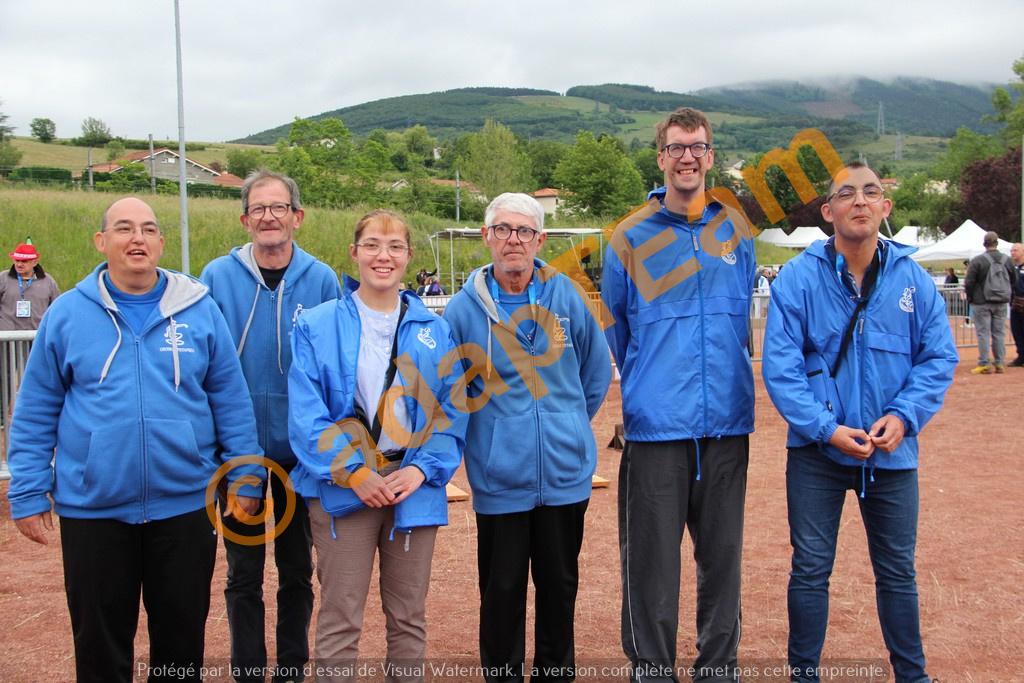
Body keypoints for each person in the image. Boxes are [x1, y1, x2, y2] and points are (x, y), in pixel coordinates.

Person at [6, 197, 264, 683]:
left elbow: (231, 399)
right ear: (102, 242)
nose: (137, 239)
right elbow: (37, 407)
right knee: (100, 645)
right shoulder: (66, 314)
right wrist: (26, 488)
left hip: (186, 505)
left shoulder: (200, 310)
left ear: (162, 243)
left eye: (148, 229)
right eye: (124, 229)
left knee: (180, 646)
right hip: (93, 508)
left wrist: (247, 476)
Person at [762, 163, 959, 683]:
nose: (860, 201)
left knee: (898, 573)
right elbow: (781, 370)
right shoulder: (797, 280)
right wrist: (825, 429)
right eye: (846, 194)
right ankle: (804, 674)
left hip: (890, 451)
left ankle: (911, 676)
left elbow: (938, 358)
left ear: (885, 208)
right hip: (816, 453)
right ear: (828, 213)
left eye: (871, 192)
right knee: (810, 569)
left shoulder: (913, 279)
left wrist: (904, 415)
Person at [601, 107, 757, 682]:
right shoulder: (630, 236)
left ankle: (719, 668)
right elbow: (618, 327)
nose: (687, 156)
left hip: (727, 424)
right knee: (651, 565)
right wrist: (650, 385)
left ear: (710, 155)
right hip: (657, 427)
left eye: (698, 146)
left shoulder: (734, 232)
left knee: (723, 562)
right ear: (661, 157)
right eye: (676, 147)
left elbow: (740, 320)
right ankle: (652, 669)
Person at [288, 209, 466, 680]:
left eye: (394, 247)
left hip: (413, 485)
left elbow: (452, 409)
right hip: (343, 486)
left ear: (409, 256)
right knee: (340, 618)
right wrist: (355, 472)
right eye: (372, 245)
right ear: (354, 253)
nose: (382, 256)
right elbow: (307, 415)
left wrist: (424, 468)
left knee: (408, 618)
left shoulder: (435, 328)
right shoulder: (316, 324)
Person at [443, 192, 611, 682]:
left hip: (564, 474)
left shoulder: (567, 297)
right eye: (502, 229)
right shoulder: (462, 311)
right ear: (486, 236)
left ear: (539, 240)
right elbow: (453, 390)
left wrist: (568, 425)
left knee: (560, 586)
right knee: (501, 589)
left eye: (523, 231)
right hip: (501, 478)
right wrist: (498, 441)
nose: (512, 240)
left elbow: (594, 373)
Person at [200, 169, 342, 682]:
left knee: (297, 573)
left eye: (278, 207)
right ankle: (247, 670)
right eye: (258, 208)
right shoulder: (215, 277)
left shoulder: (323, 279)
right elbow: (205, 363)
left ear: (297, 217)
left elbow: (334, 367)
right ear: (245, 219)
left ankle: (292, 668)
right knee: (242, 573)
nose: (268, 217)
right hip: (238, 456)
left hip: (297, 456)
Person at [964, 230, 1016, 374]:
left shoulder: (978, 261)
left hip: (981, 302)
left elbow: (969, 282)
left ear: (984, 244)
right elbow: (1014, 279)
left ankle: (984, 363)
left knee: (983, 333)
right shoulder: (1007, 260)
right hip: (1001, 302)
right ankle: (999, 363)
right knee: (999, 333)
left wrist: (971, 297)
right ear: (997, 243)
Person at [0, 241, 60, 330]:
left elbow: (57, 310)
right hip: (8, 340)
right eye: (17, 260)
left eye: (24, 261)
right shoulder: (3, 278)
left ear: (34, 262)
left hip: (36, 338)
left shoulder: (48, 281)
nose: (19, 264)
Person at [1008, 243, 1024, 367]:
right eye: (1012, 250)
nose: (1013, 252)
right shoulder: (1011, 267)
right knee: (1016, 330)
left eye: (1016, 250)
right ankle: (1021, 356)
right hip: (1014, 303)